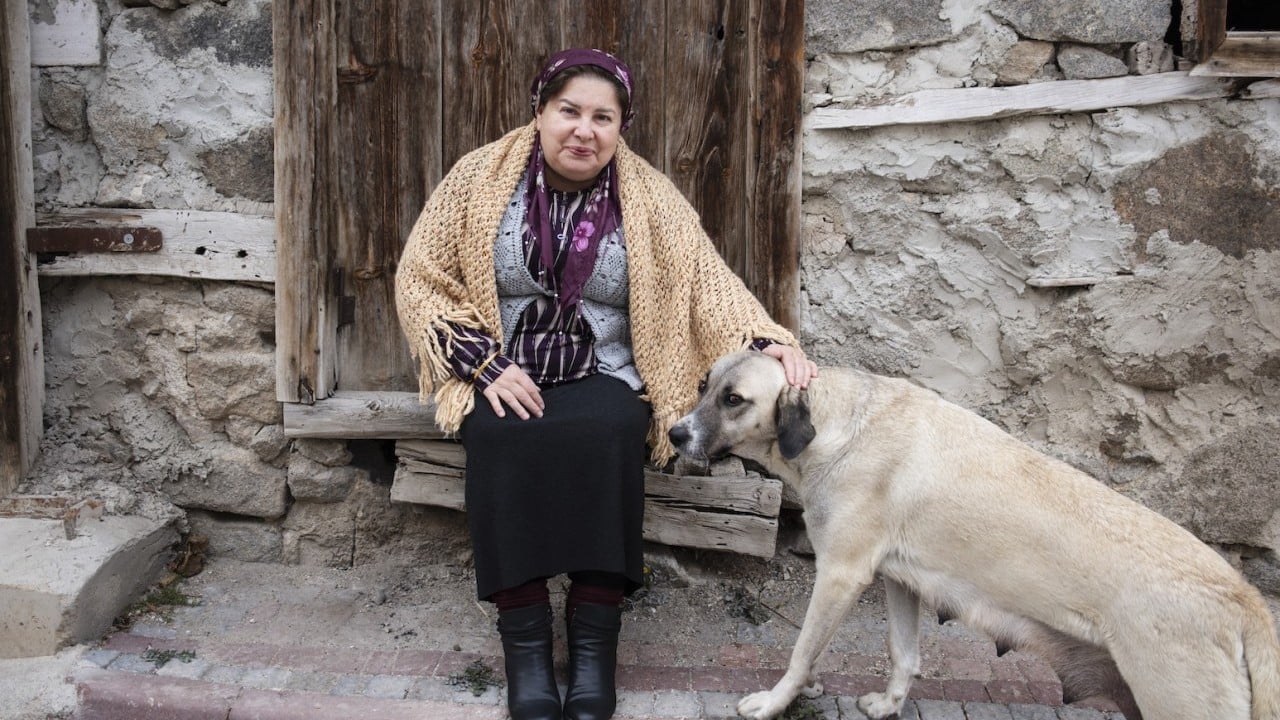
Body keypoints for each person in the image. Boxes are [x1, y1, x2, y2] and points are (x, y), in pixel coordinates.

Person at [394, 48, 816, 720]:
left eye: (603, 117)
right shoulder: (478, 177)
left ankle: (594, 649)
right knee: (500, 435)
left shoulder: (649, 197)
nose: (583, 129)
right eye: (569, 112)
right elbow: (420, 278)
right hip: (503, 368)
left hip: (605, 370)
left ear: (620, 127)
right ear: (540, 113)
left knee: (608, 433)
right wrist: (481, 362)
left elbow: (708, 282)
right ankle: (527, 648)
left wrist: (767, 339)